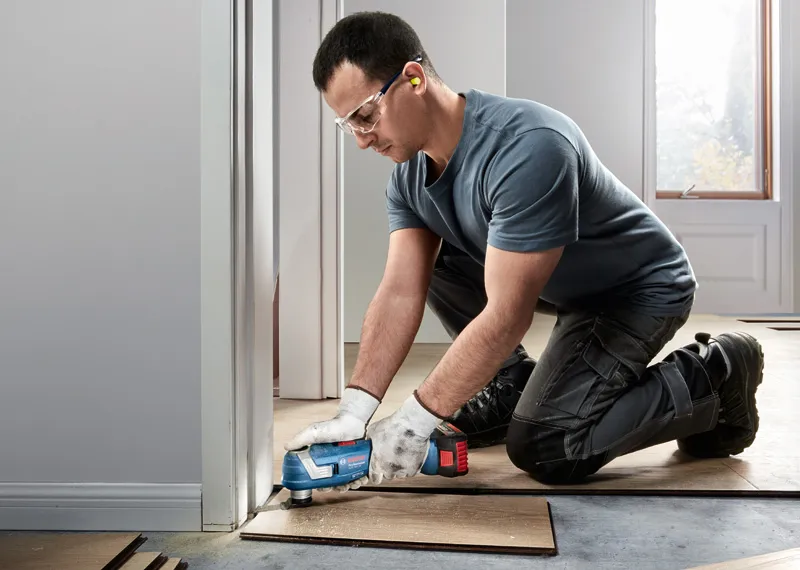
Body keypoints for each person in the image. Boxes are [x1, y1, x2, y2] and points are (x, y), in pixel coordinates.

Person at [284, 11, 764, 489]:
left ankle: (717, 375)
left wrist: (414, 420)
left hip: (635, 291)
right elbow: (399, 292)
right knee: (432, 260)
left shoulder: (529, 146)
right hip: (564, 286)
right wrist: (354, 412)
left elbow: (506, 315)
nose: (362, 140)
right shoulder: (409, 180)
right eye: (348, 126)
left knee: (548, 446)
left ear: (413, 79)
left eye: (365, 116)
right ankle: (507, 386)